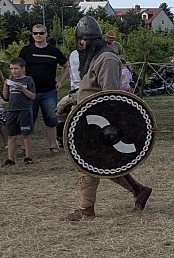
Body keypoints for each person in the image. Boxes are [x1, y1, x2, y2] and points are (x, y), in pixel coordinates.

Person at [57, 16, 152, 220]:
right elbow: (90, 89)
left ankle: (86, 210)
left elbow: (109, 98)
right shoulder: (95, 57)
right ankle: (139, 190)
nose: (79, 45)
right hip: (90, 118)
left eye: (81, 41)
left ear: (89, 40)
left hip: (101, 122)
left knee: (90, 163)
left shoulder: (107, 59)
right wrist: (72, 99)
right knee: (103, 163)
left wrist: (102, 122)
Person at [18, 25, 68, 155]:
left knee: (51, 119)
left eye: (41, 33)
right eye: (35, 33)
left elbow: (66, 66)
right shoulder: (26, 50)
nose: (38, 35)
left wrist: (61, 81)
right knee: (27, 119)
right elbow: (18, 66)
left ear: (46, 34)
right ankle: (24, 149)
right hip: (30, 92)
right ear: (32, 34)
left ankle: (53, 147)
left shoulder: (54, 51)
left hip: (49, 91)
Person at [2, 57, 36, 166]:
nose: (14, 71)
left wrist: (22, 89)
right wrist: (5, 86)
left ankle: (28, 157)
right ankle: (10, 159)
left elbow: (33, 96)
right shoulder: (11, 79)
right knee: (11, 135)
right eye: (12, 69)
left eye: (16, 68)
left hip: (24, 110)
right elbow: (6, 97)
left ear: (22, 68)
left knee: (26, 134)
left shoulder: (28, 80)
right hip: (12, 110)